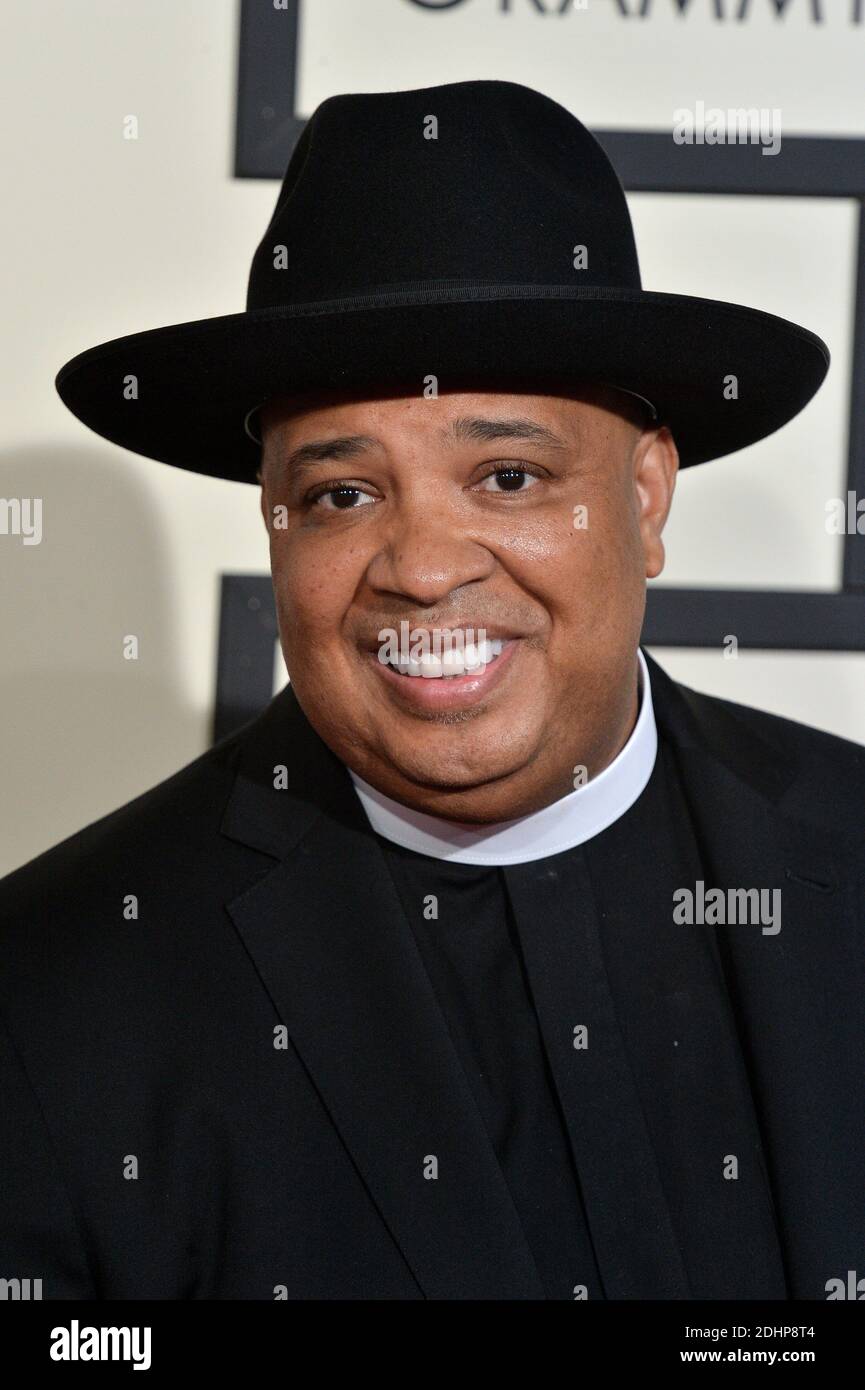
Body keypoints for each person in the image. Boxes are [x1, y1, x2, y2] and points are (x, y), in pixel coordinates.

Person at [1, 79, 862, 1301]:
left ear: (648, 496)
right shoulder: (48, 1000)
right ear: (275, 524)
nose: (422, 567)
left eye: (507, 475)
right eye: (342, 496)